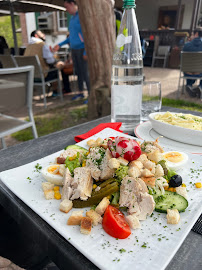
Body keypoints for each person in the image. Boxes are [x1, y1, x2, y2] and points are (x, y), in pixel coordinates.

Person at [53, 0, 90, 101]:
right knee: (78, 73)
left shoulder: (81, 17)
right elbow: (71, 37)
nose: (66, 9)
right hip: (74, 49)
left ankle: (90, 95)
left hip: (82, 49)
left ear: (73, 4)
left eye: (67, 6)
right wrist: (59, 45)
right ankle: (81, 93)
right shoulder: (72, 19)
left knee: (85, 73)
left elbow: (87, 35)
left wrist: (86, 51)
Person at [24, 30, 71, 96]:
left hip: (31, 76)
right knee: (60, 66)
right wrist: (56, 61)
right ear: (36, 36)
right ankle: (59, 91)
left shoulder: (28, 47)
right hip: (43, 75)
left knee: (53, 67)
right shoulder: (42, 45)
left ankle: (53, 90)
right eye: (41, 33)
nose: (44, 34)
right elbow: (50, 61)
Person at [182, 29, 202, 98]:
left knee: (189, 66)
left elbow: (181, 58)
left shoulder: (186, 45)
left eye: (192, 34)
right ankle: (200, 87)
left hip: (187, 72)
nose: (191, 36)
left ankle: (189, 85)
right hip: (200, 72)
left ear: (196, 34)